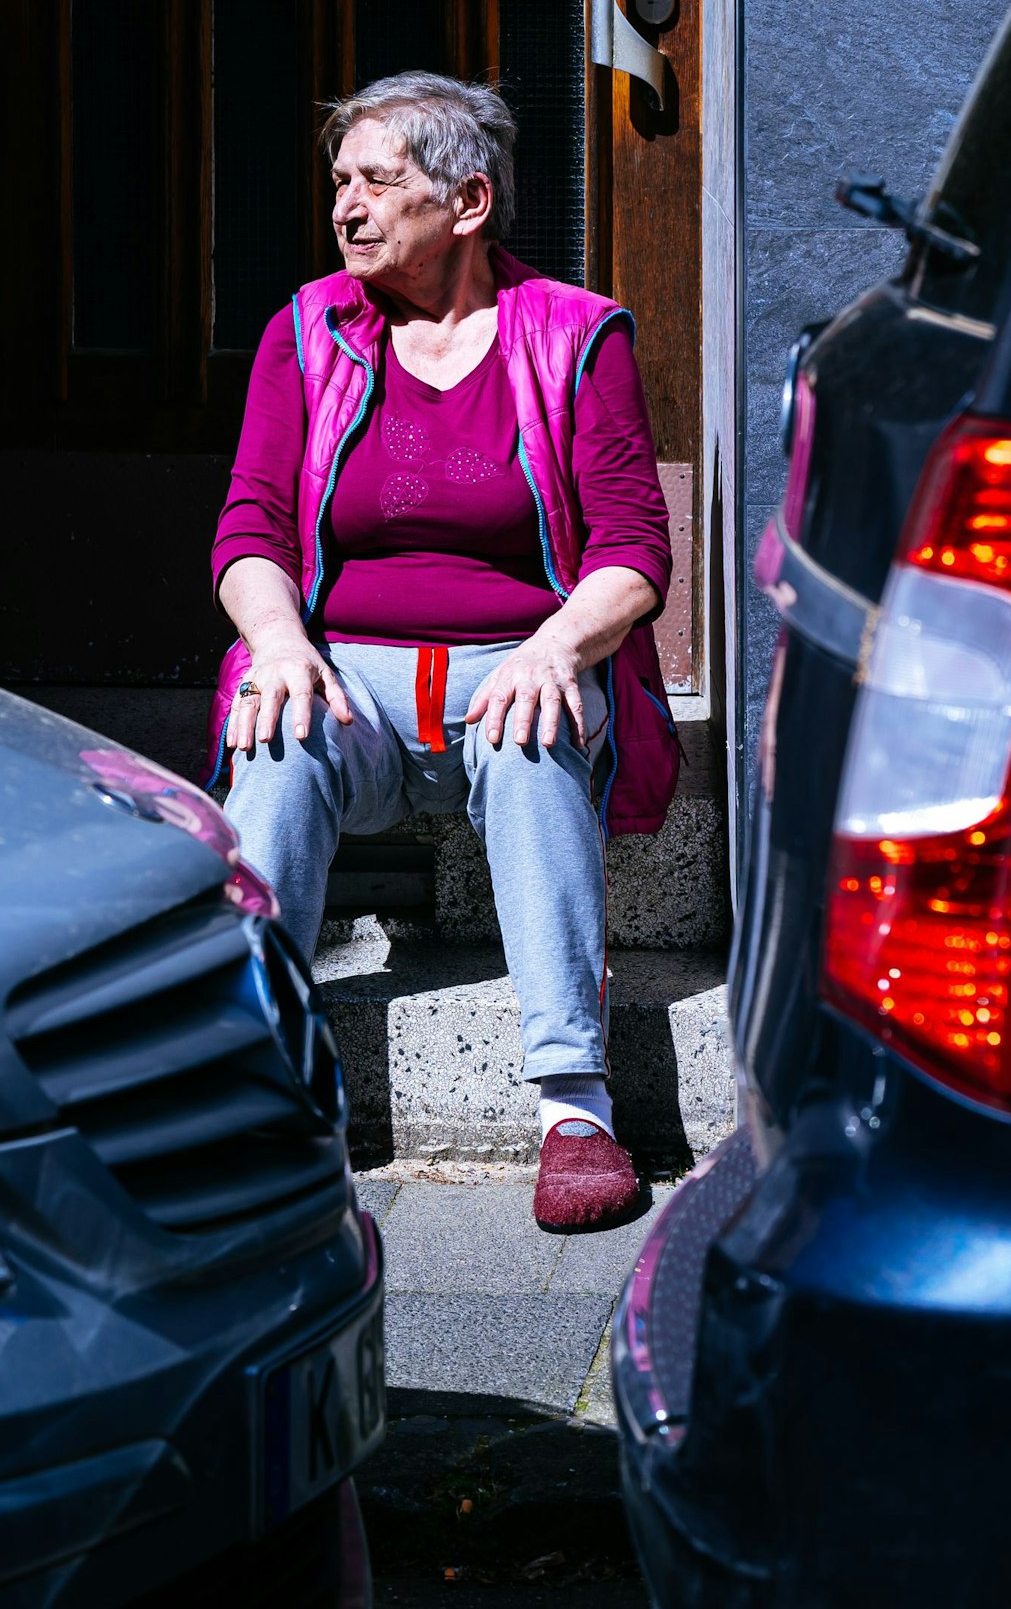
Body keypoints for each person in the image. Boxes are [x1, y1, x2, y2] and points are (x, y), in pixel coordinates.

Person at [209, 73, 677, 1233]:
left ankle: (574, 1107)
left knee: (533, 730)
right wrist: (275, 639)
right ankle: (253, 1090)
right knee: (273, 734)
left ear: (466, 200)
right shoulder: (307, 331)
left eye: (378, 181)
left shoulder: (576, 333)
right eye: (339, 184)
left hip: (510, 663)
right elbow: (250, 525)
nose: (346, 207)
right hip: (351, 676)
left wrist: (560, 642)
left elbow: (631, 545)